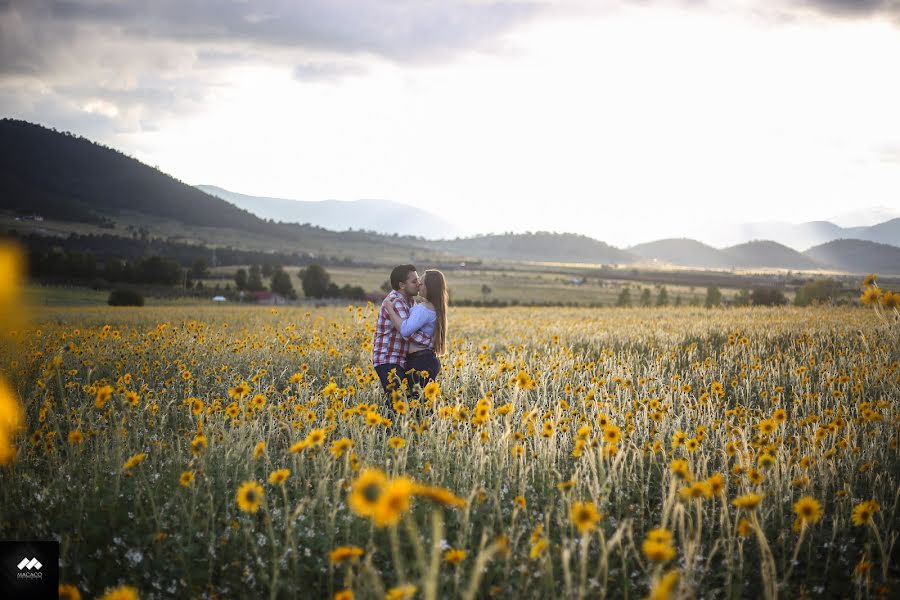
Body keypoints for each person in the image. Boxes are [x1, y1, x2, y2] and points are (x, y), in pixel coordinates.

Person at [383, 269, 448, 393]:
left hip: (420, 361)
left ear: (429, 288)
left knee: (418, 405)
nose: (418, 285)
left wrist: (389, 309)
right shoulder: (435, 308)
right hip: (428, 360)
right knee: (424, 403)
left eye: (421, 283)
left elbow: (405, 330)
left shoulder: (423, 309)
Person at [372, 265, 432, 397]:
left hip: (400, 359)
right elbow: (409, 333)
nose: (418, 284)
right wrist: (432, 342)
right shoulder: (395, 301)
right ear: (402, 285)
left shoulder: (411, 302)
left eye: (418, 280)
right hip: (388, 359)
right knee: (398, 402)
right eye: (414, 281)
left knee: (406, 401)